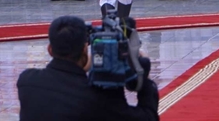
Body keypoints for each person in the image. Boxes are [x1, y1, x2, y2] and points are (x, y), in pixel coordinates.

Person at [17, 15, 159, 121]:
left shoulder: (27, 82)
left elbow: (65, 76)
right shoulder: (98, 97)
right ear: (85, 49)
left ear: (50, 49)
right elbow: (148, 117)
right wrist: (142, 77)